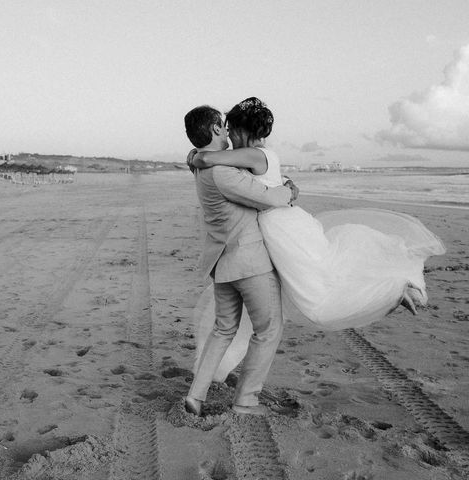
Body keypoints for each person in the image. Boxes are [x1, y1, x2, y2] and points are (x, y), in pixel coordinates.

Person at [188, 97, 446, 382]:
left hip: (281, 228)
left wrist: (196, 156)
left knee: (316, 294)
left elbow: (211, 159)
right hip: (274, 229)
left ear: (240, 129)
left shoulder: (252, 154)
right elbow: (259, 179)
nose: (227, 135)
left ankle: (396, 288)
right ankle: (396, 289)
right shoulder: (254, 157)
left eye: (230, 129)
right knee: (313, 282)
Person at [182, 105, 298, 416]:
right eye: (223, 126)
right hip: (249, 263)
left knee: (223, 329)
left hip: (222, 265)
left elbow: (199, 156)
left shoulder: (199, 167)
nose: (228, 131)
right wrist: (287, 189)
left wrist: (196, 153)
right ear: (217, 130)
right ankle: (246, 400)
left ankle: (196, 394)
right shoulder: (223, 174)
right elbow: (268, 199)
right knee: (269, 329)